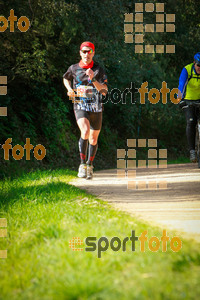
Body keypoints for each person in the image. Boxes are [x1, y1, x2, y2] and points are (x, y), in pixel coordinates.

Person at [63, 41, 108, 179]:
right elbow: (65, 78)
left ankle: (90, 165)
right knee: (85, 131)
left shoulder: (99, 69)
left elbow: (105, 91)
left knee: (93, 139)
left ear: (93, 53)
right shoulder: (74, 68)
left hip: (96, 107)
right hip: (80, 105)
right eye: (84, 51)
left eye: (89, 51)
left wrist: (92, 78)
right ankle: (82, 165)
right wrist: (69, 89)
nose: (86, 54)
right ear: (80, 53)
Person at [178, 52, 200, 162]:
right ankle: (192, 151)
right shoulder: (187, 70)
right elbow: (181, 84)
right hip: (188, 100)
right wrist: (179, 96)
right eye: (198, 65)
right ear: (194, 63)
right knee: (191, 122)